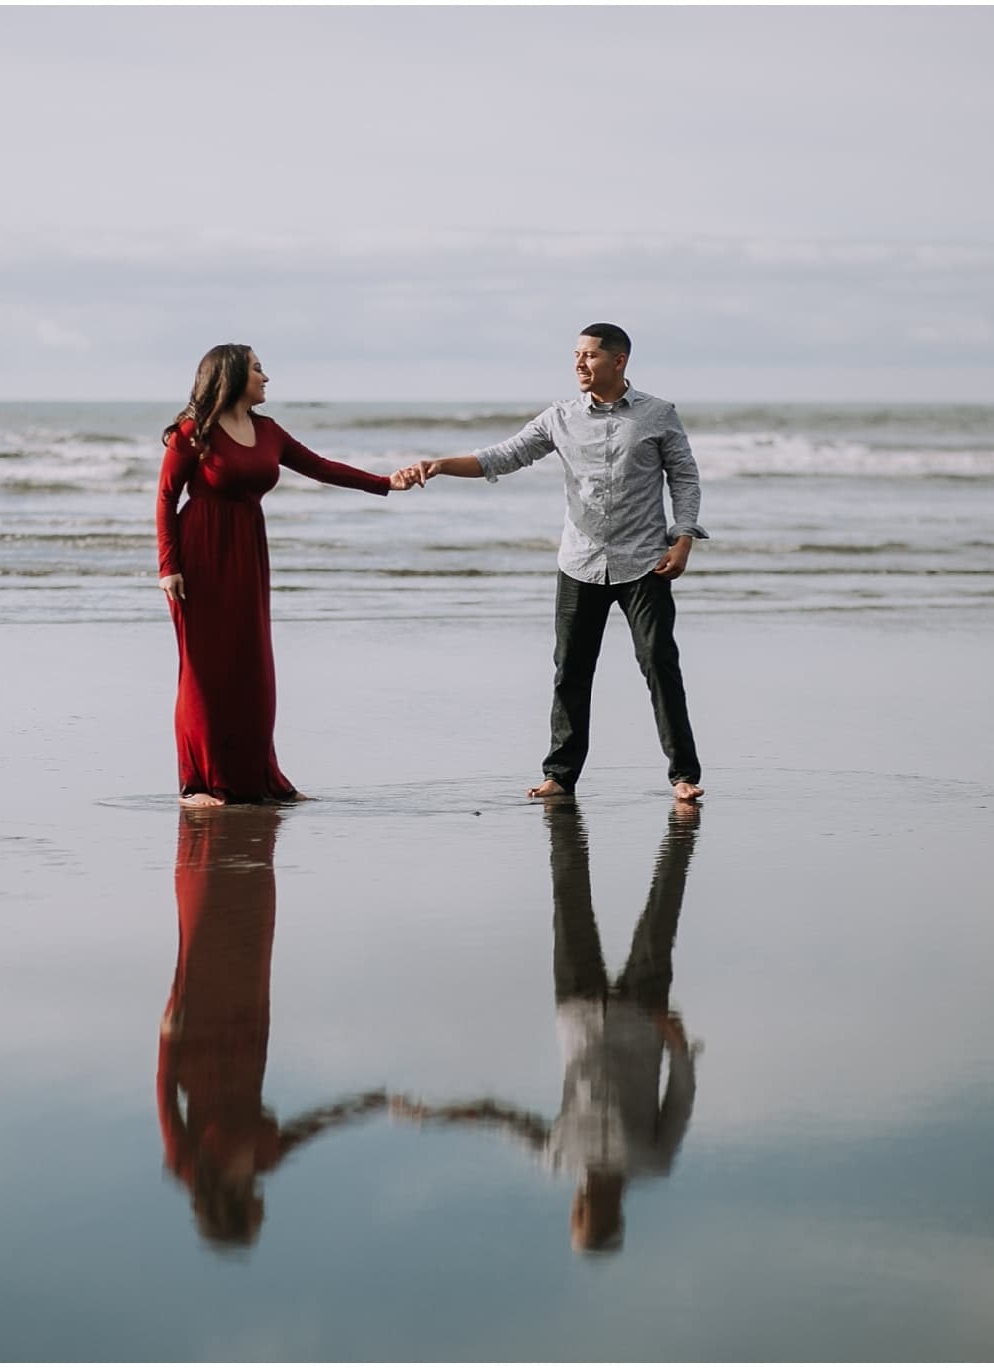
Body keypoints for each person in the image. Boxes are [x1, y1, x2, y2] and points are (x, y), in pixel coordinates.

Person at [397, 325, 706, 802]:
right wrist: (440, 464)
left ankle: (683, 775)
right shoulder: (559, 417)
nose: (580, 364)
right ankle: (560, 776)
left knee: (659, 664)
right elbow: (503, 456)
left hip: (645, 560)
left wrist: (683, 539)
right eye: (576, 356)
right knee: (571, 671)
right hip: (581, 562)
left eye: (590, 356)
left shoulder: (658, 414)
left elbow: (684, 477)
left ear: (619, 361)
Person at [389, 801, 701, 1254]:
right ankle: (678, 832)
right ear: (600, 1215)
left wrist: (438, 1115)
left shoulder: (559, 1158)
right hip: (640, 1016)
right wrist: (676, 1041)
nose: (578, 1206)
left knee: (568, 897)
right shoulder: (651, 1162)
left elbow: (498, 1116)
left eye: (578, 1216)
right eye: (582, 1217)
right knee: (663, 904)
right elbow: (683, 1094)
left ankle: (565, 819)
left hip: (576, 1006)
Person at [157, 344, 419, 805]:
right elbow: (166, 499)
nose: (266, 377)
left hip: (247, 550)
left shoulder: (268, 431)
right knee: (203, 670)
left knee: (251, 666)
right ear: (234, 376)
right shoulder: (191, 433)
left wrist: (384, 483)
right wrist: (169, 566)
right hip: (199, 555)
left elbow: (321, 467)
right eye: (258, 369)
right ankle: (198, 783)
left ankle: (257, 777)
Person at [157, 806, 387, 1248]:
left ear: (235, 1211)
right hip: (248, 1024)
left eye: (255, 1218)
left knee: (210, 930)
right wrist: (367, 1104)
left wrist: (168, 1035)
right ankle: (218, 841)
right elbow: (315, 1127)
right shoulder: (264, 1160)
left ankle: (204, 842)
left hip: (199, 1036)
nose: (264, 1211)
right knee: (243, 923)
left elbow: (166, 1098)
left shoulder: (187, 1163)